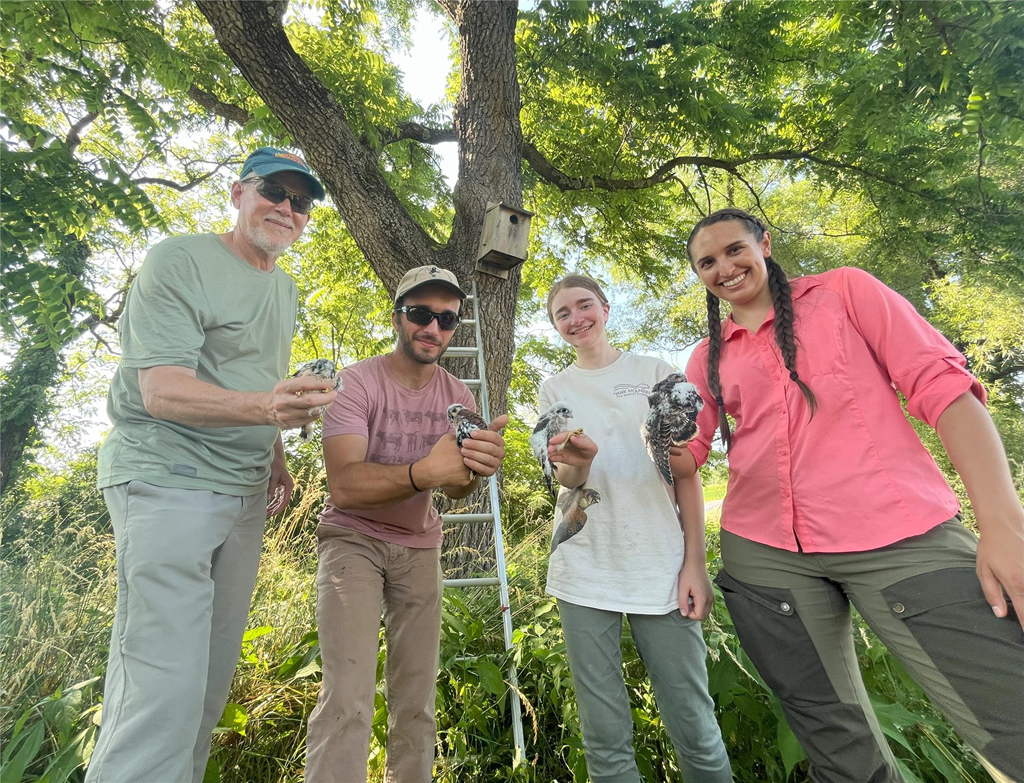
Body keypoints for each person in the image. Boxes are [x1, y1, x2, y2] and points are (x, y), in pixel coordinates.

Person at [676, 207, 1024, 782]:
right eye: (707, 262)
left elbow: (943, 388)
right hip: (763, 553)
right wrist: (605, 450)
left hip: (899, 534)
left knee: (1008, 711)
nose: (725, 267)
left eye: (735, 249)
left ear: (764, 243)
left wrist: (1003, 523)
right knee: (837, 750)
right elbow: (688, 454)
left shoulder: (845, 292)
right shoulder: (705, 357)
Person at [88, 148, 337, 782]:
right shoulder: (182, 258)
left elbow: (256, 381)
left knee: (205, 687)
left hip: (246, 490)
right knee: (160, 686)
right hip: (169, 477)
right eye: (273, 191)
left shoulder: (283, 287)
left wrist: (275, 455)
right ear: (237, 192)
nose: (286, 208)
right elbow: (161, 391)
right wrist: (265, 406)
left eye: (301, 200)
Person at [304, 266, 508, 783]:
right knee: (347, 698)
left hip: (420, 547)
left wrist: (478, 466)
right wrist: (425, 473)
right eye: (420, 314)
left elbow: (458, 487)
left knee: (416, 701)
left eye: (446, 319)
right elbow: (345, 486)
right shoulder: (356, 383)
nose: (432, 328)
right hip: (352, 540)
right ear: (398, 317)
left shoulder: (458, 393)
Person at [537, 274, 732, 783]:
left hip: (662, 566)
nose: (576, 318)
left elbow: (686, 473)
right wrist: (579, 461)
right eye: (563, 313)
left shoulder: (656, 372)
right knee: (604, 736)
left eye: (584, 306)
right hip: (584, 569)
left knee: (694, 723)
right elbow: (568, 480)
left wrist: (696, 564)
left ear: (605, 307)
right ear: (555, 325)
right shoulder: (553, 390)